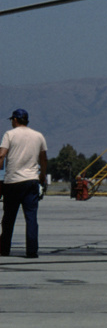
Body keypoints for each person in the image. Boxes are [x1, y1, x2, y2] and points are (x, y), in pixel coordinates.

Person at [0, 108, 48, 259]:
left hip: (13, 181)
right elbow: (43, 158)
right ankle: (32, 251)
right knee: (31, 218)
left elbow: (2, 155)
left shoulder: (9, 134)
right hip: (31, 181)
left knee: (8, 218)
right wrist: (42, 176)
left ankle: (4, 249)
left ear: (15, 120)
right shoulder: (38, 136)